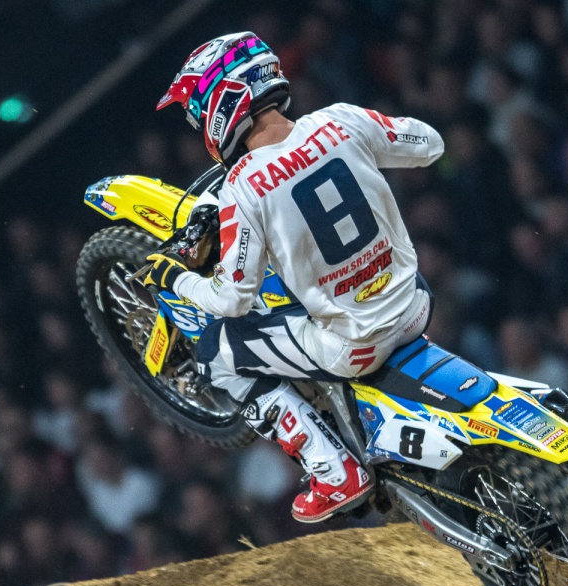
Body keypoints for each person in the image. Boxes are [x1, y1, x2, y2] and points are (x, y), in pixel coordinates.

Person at [148, 32, 441, 522]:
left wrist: (175, 279)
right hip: (415, 304)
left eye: (197, 111)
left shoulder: (243, 187)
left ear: (221, 102)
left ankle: (333, 472)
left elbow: (234, 299)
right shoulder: (340, 120)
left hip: (355, 346)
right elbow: (430, 144)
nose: (198, 124)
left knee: (216, 352)